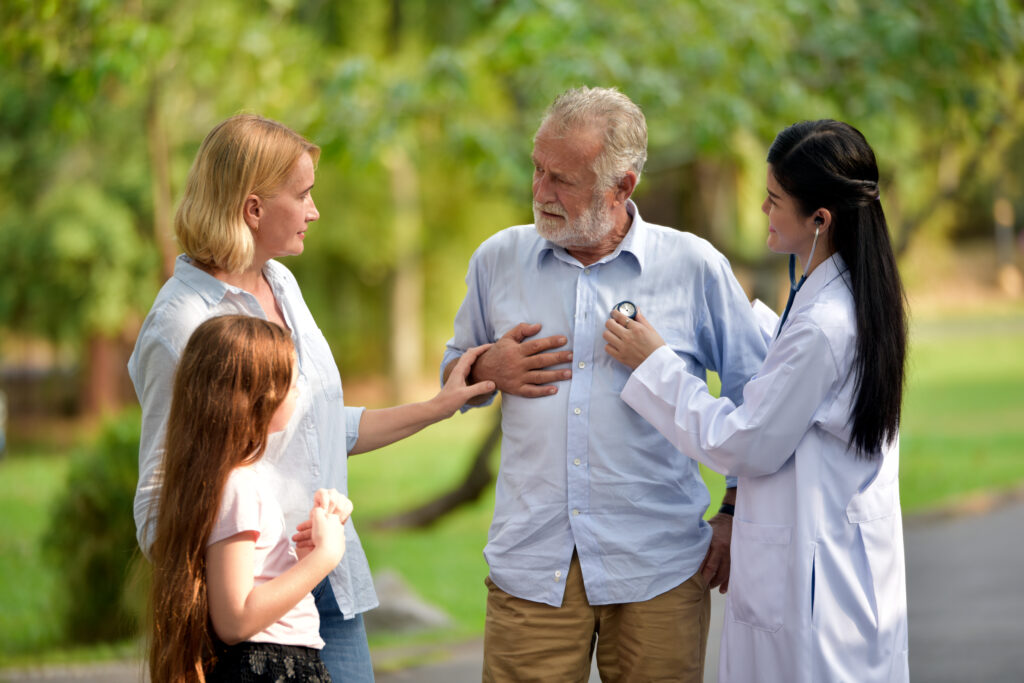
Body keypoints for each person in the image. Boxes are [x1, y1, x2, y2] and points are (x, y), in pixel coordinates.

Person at [130, 114, 494, 682]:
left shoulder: (281, 283)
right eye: (302, 195)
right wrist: (222, 604)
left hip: (325, 577)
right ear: (253, 209)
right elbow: (160, 493)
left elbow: (315, 424)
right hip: (251, 615)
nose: (314, 210)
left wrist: (438, 406)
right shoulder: (181, 324)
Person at [441, 87, 768, 681]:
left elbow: (758, 400)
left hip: (659, 568)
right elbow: (452, 375)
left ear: (623, 186)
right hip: (531, 568)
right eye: (537, 169)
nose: (541, 192)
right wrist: (488, 369)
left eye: (562, 179)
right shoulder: (497, 259)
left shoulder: (694, 267)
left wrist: (732, 511)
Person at [604, 119, 909, 682]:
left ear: (821, 220)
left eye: (774, 200)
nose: (764, 211)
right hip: (841, 564)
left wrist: (655, 364)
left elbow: (746, 443)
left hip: (813, 583)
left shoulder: (825, 323)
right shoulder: (849, 294)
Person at [149, 315, 348, 682]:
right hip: (269, 668)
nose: (298, 390)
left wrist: (296, 559)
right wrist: (325, 556)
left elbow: (248, 585)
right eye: (290, 381)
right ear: (258, 395)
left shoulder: (226, 481)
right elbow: (235, 619)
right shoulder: (237, 486)